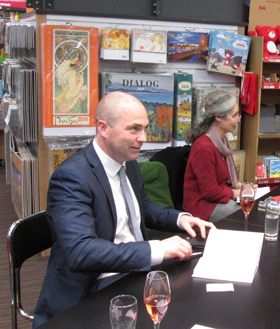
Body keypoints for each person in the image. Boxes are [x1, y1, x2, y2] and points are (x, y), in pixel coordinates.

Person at [34, 92, 214, 327]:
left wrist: (181, 219)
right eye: (134, 129)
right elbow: (80, 251)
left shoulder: (128, 163)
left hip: (134, 274)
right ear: (103, 128)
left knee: (199, 302)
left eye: (145, 129)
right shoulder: (72, 177)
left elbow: (144, 208)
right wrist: (157, 248)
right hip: (93, 290)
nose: (143, 138)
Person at [183, 90, 242, 222]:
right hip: (202, 206)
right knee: (242, 215)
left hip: (216, 199)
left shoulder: (222, 141)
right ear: (218, 117)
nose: (238, 119)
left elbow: (223, 180)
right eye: (234, 115)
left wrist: (241, 186)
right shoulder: (204, 147)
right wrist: (234, 193)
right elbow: (210, 192)